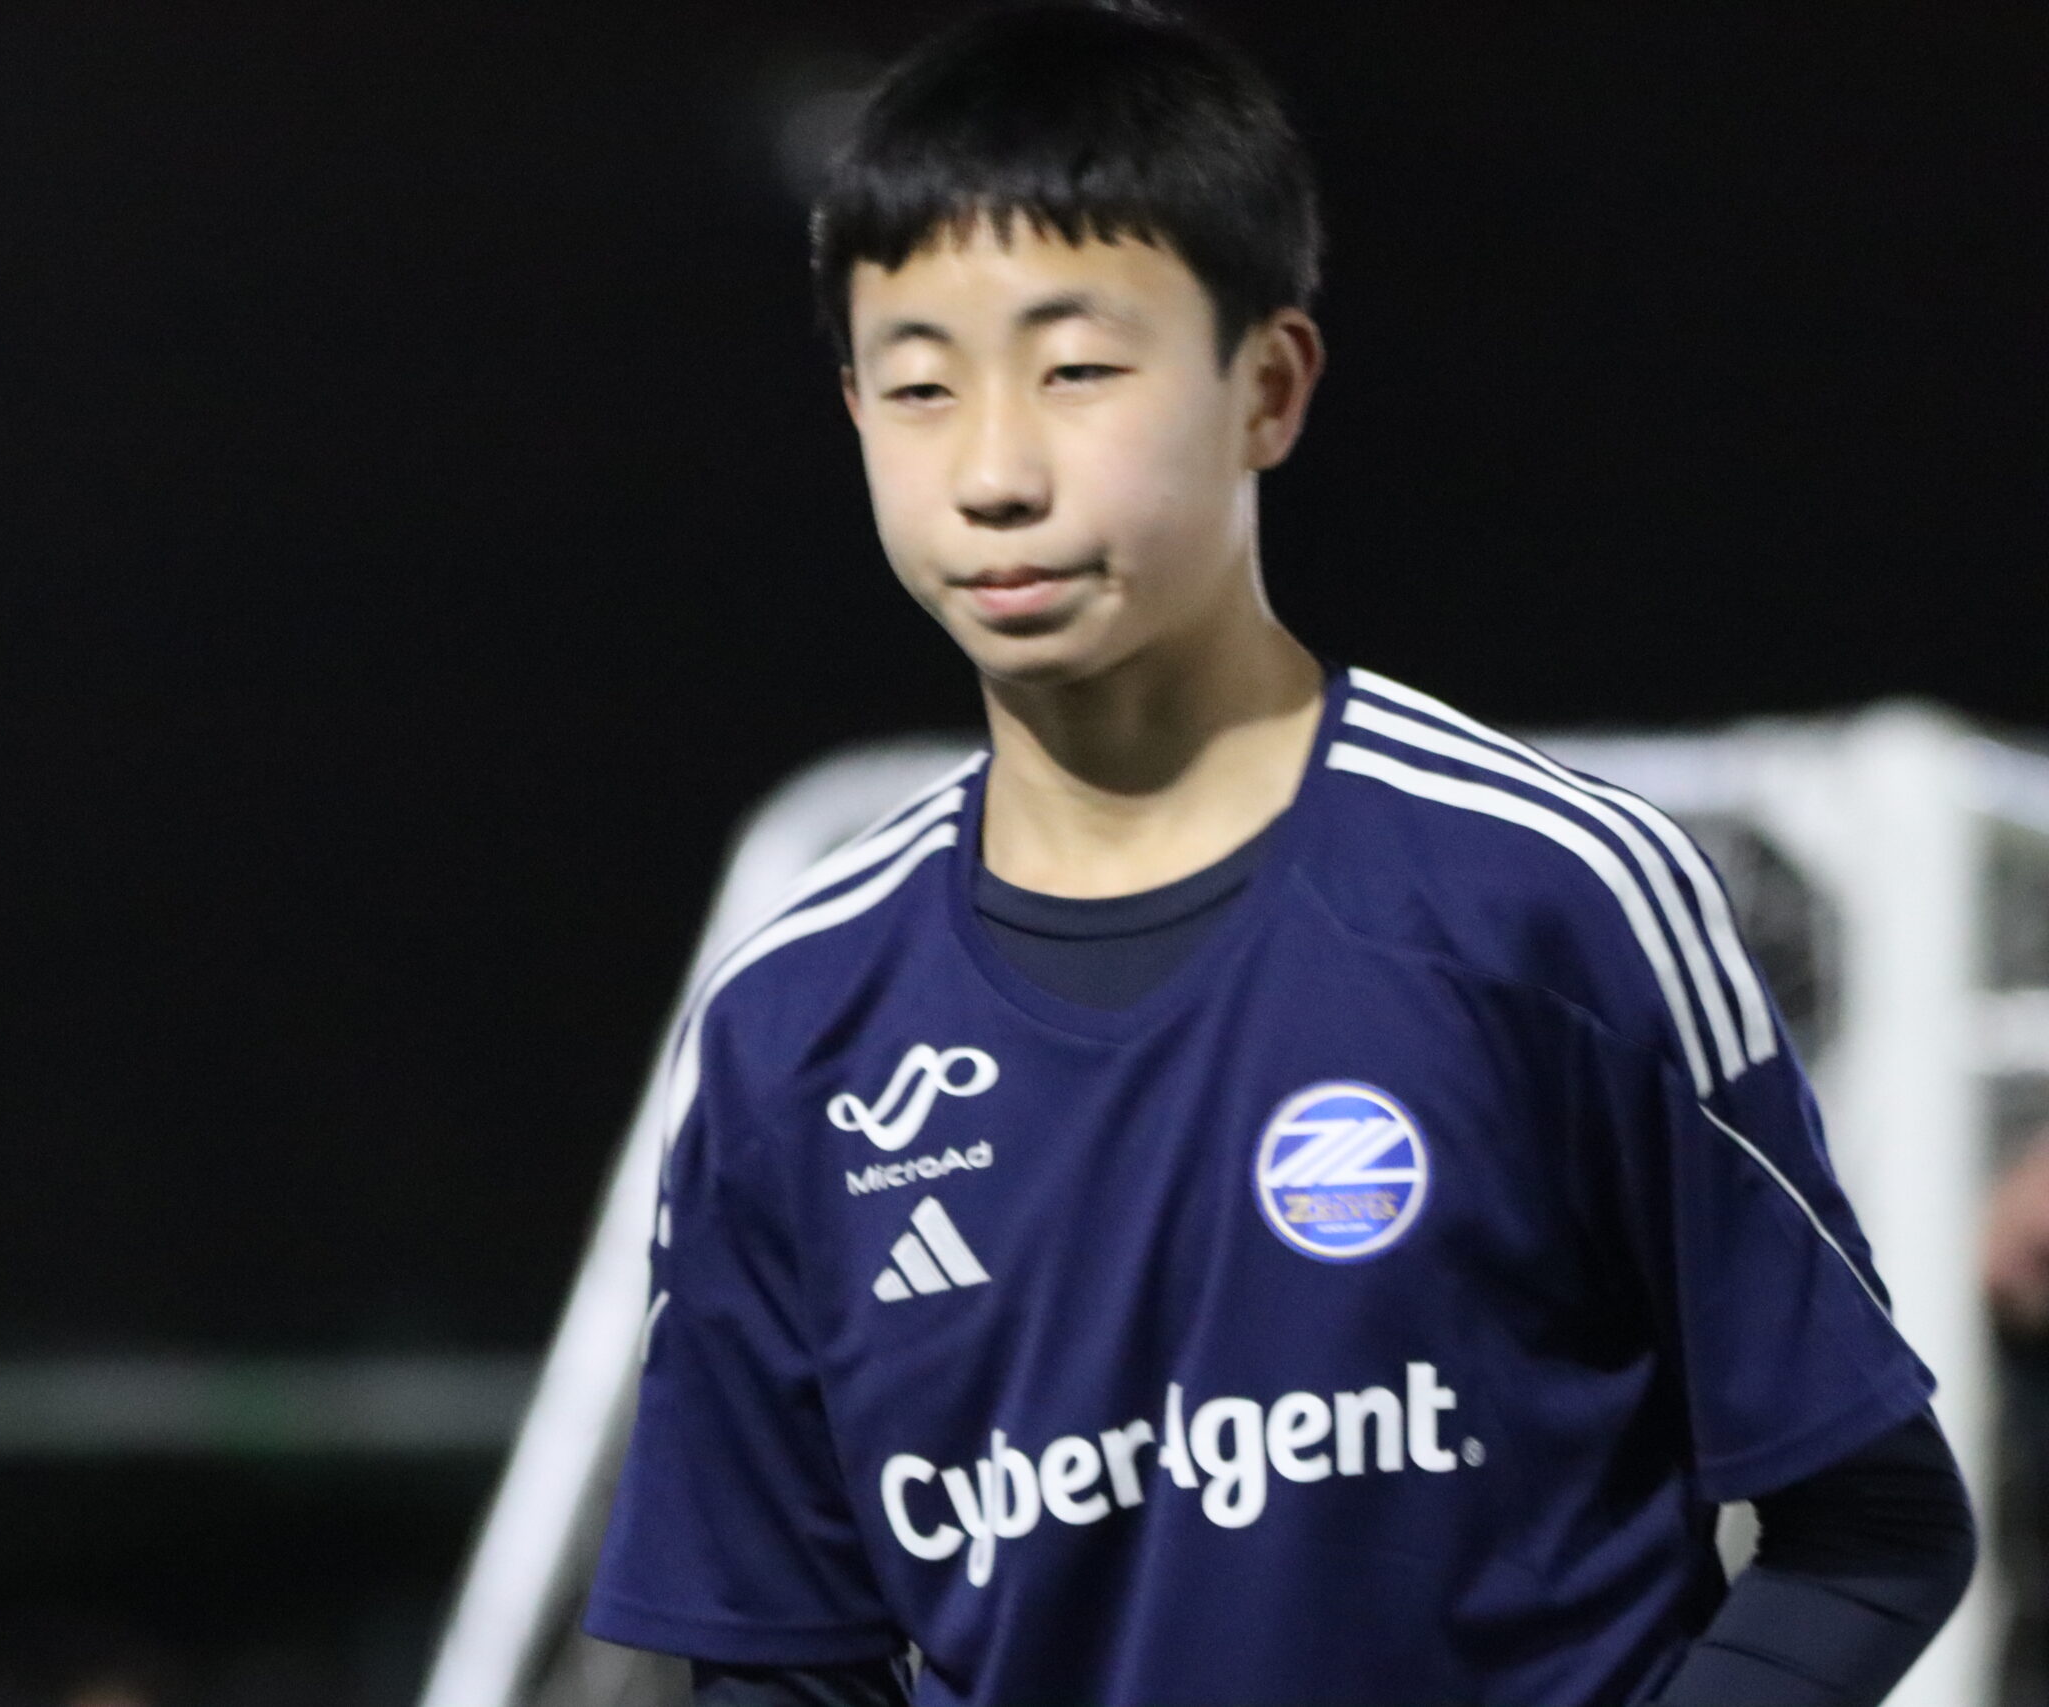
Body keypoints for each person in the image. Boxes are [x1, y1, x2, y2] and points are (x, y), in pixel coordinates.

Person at [580, 7, 1975, 1703]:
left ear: (1270, 388)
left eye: (1077, 371)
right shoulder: (791, 1027)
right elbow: (780, 1668)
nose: (994, 472)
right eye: (920, 387)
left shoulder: (1550, 900)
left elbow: (1871, 1530)